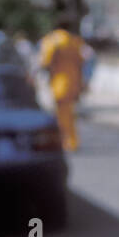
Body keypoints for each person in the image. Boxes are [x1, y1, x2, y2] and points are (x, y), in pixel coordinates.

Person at [38, 12, 88, 151]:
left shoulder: (51, 40)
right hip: (74, 82)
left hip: (59, 83)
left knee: (62, 113)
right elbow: (82, 62)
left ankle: (68, 141)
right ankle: (71, 140)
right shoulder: (75, 41)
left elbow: (45, 62)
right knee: (70, 113)